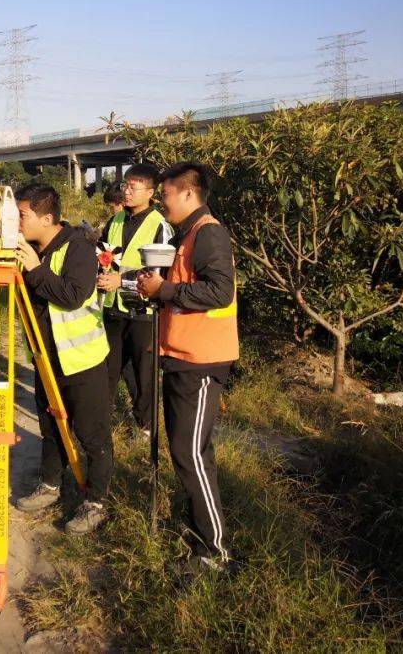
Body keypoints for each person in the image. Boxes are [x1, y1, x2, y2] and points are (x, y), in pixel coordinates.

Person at [136, 162, 239, 576]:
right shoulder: (185, 236)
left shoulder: (208, 232)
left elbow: (220, 289)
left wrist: (166, 290)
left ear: (188, 194)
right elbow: (184, 289)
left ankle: (215, 552)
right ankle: (201, 531)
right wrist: (157, 291)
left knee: (188, 451)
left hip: (200, 361)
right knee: (193, 450)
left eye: (166, 195)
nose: (163, 202)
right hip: (182, 356)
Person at [11, 183, 114, 535]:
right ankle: (50, 485)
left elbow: (72, 296)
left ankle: (96, 501)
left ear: (47, 218)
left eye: (21, 216)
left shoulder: (79, 249)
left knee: (91, 434)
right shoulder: (25, 248)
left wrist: (37, 269)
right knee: (51, 426)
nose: (17, 222)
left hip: (81, 360)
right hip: (46, 357)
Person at [96, 164, 173, 437]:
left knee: (144, 375)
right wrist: (101, 275)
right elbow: (103, 254)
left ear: (150, 192)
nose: (126, 192)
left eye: (133, 188)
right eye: (125, 186)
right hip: (112, 309)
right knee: (106, 371)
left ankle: (145, 427)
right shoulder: (115, 221)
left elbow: (160, 273)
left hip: (143, 312)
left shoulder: (159, 225)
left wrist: (122, 280)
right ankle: (99, 426)